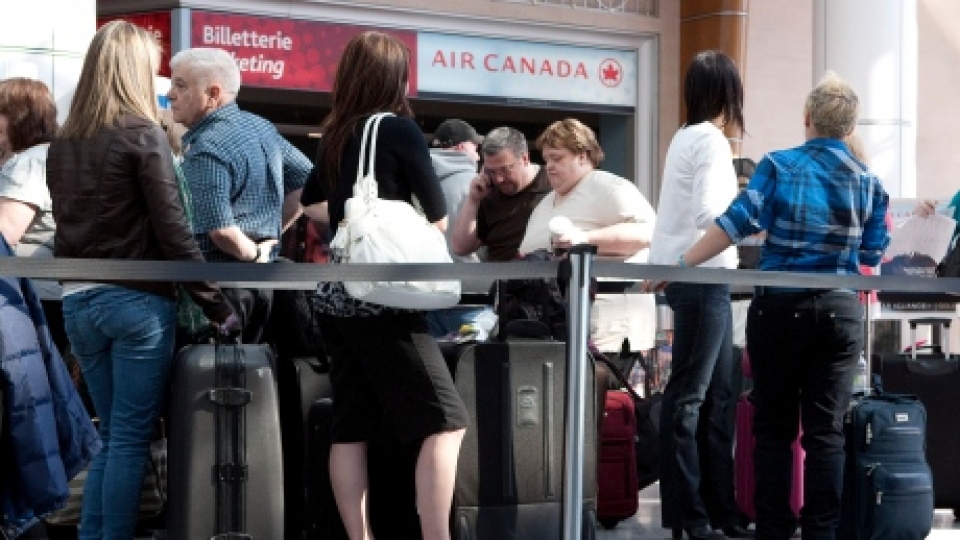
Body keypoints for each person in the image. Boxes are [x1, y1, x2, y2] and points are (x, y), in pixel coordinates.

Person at [666, 71, 890, 540]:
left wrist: (682, 262)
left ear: (807, 117)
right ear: (850, 127)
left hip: (780, 311)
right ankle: (822, 532)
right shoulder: (869, 182)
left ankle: (773, 528)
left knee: (773, 430)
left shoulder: (778, 165)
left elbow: (734, 223)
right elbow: (870, 256)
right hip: (839, 311)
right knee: (826, 434)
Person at [45, 20, 238, 539]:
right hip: (137, 303)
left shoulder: (64, 142)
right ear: (134, 69)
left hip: (78, 301)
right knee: (130, 438)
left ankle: (94, 536)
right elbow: (174, 234)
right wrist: (217, 305)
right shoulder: (142, 132)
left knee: (113, 437)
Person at [300, 31, 468, 540]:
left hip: (336, 294)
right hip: (385, 298)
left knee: (351, 424)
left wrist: (354, 221)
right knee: (446, 420)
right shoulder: (398, 130)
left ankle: (360, 536)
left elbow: (309, 204)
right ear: (397, 78)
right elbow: (439, 218)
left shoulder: (333, 133)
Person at [645, 50, 749, 540]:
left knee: (712, 397)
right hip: (705, 275)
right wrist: (752, 219)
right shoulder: (709, 140)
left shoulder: (685, 137)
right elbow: (711, 212)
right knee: (694, 400)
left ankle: (714, 512)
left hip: (697, 275)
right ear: (727, 93)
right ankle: (697, 515)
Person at [167, 47, 312, 344]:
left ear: (213, 93)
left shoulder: (207, 145)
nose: (170, 94)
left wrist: (255, 251)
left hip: (219, 290)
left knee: (215, 380)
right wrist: (269, 237)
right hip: (260, 286)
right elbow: (308, 181)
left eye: (180, 85)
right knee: (246, 373)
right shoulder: (262, 128)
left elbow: (221, 230)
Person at [516, 118, 656, 353]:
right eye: (547, 158)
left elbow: (648, 232)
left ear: (582, 156)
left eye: (557, 158)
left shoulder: (609, 187)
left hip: (605, 328)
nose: (549, 166)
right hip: (555, 326)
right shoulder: (545, 203)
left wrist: (585, 239)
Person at [0, 77, 66, 347]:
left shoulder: (28, 164)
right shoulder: (48, 155)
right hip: (47, 293)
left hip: (29, 298)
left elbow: (4, 233)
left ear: (17, 118)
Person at [426, 118, 494, 338]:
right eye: (476, 148)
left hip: (426, 298)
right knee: (473, 369)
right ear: (461, 147)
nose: (478, 155)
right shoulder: (477, 185)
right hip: (472, 299)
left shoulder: (416, 183)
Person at [450, 126, 550, 262]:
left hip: (540, 275)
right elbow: (460, 247)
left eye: (505, 170)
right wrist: (473, 200)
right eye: (491, 171)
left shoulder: (551, 183)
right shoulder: (487, 192)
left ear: (525, 158)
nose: (498, 179)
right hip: (498, 278)